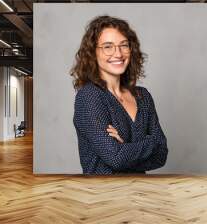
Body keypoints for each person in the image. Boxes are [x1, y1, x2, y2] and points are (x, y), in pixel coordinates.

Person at [71, 15, 168, 175]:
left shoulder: (143, 96)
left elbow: (162, 155)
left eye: (124, 45)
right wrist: (152, 143)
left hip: (141, 195)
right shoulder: (89, 97)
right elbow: (115, 157)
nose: (118, 54)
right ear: (92, 53)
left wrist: (126, 145)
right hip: (104, 196)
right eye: (108, 46)